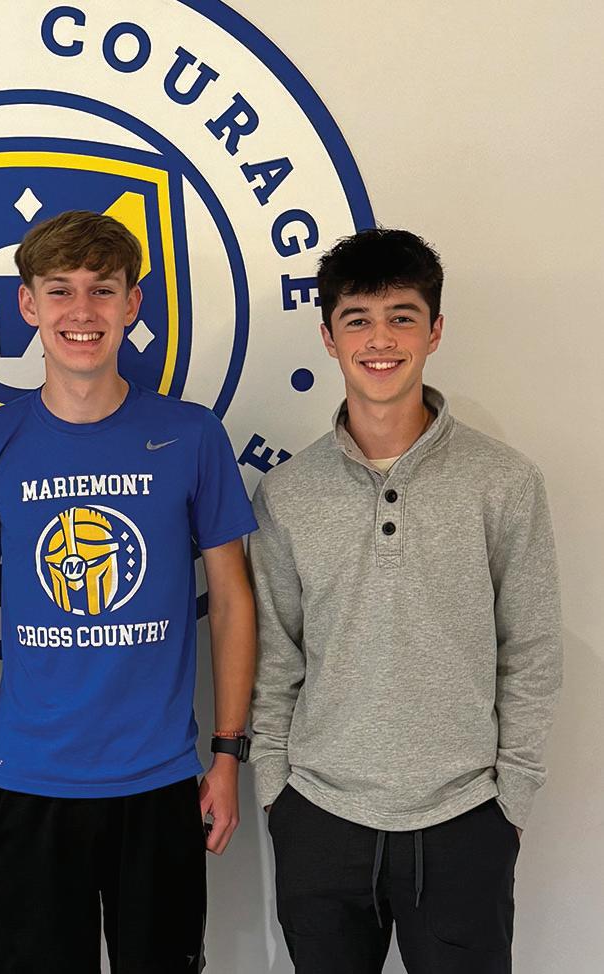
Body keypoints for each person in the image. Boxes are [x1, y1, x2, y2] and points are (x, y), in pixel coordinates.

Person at [0, 210, 257, 973]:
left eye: (102, 290)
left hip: (160, 777)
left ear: (131, 304)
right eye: (59, 290)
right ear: (27, 304)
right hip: (30, 778)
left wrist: (226, 754)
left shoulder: (191, 435)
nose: (81, 311)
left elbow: (231, 600)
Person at [248, 228, 562, 973]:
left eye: (402, 316)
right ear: (328, 338)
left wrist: (510, 801)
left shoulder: (503, 481)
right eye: (357, 318)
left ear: (435, 330)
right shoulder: (286, 494)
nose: (380, 339)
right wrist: (275, 792)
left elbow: (531, 650)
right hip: (319, 815)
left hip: (464, 816)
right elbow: (275, 657)